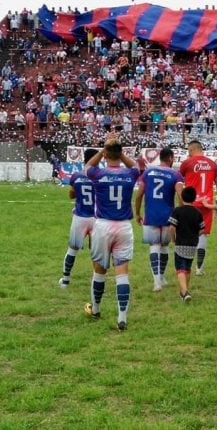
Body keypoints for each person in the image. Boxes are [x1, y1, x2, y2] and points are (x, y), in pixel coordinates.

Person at [83, 138, 141, 332]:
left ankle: (96, 309)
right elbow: (135, 166)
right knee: (122, 273)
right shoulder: (129, 174)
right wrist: (119, 151)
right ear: (121, 154)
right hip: (124, 226)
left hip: (103, 226)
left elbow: (88, 166)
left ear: (106, 155)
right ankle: (122, 317)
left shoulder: (99, 173)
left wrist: (102, 150)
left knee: (99, 271)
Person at [134, 148, 184, 292]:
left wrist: (137, 213)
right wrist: (180, 213)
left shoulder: (148, 173)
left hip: (151, 215)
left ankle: (157, 282)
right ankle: (162, 276)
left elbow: (139, 195)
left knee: (154, 246)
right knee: (164, 246)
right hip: (168, 215)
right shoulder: (176, 174)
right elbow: (181, 195)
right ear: (170, 159)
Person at [179, 140, 217, 276]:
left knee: (189, 234)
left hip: (191, 203)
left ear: (191, 150)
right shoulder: (212, 164)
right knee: (203, 235)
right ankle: (200, 268)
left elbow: (179, 183)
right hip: (207, 204)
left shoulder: (187, 163)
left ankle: (186, 266)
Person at [59, 149, 99, 289]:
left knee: (72, 250)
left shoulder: (76, 176)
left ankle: (65, 280)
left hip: (80, 217)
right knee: (96, 251)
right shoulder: (100, 177)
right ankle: (97, 281)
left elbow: (71, 195)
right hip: (96, 218)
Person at [168, 187, 206, 302]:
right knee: (188, 268)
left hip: (180, 243)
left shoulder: (177, 211)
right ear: (194, 198)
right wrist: (195, 235)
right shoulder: (197, 213)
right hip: (193, 244)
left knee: (180, 269)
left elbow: (172, 227)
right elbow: (202, 229)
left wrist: (173, 239)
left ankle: (185, 292)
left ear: (182, 197)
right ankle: (184, 292)